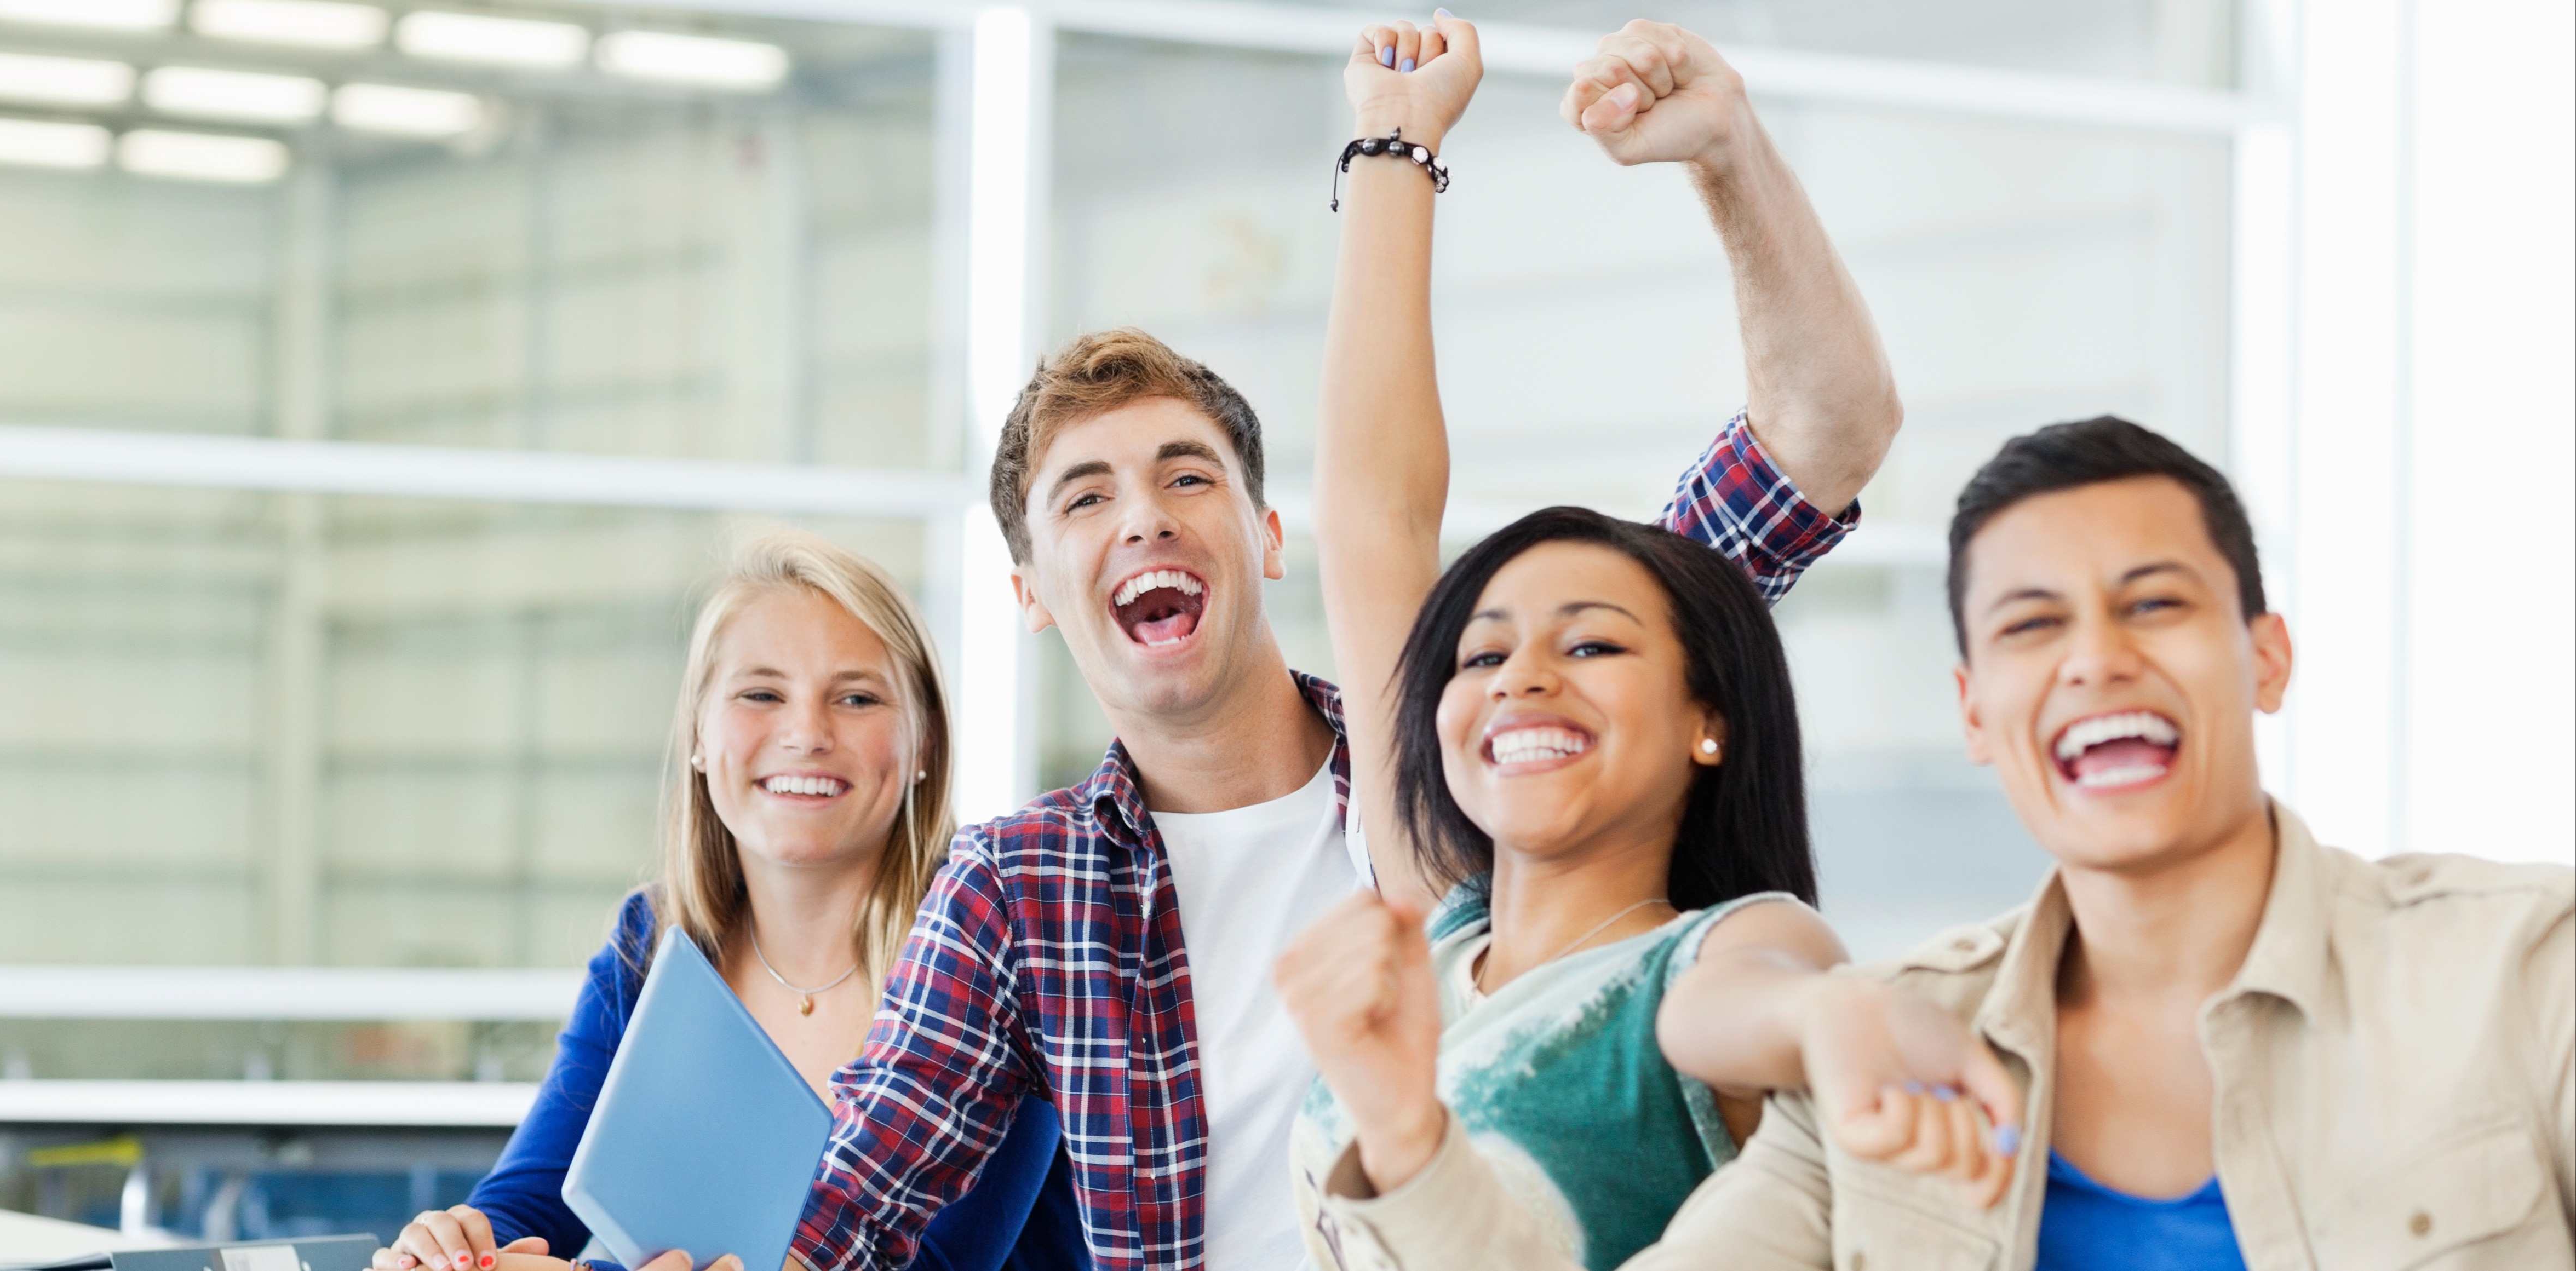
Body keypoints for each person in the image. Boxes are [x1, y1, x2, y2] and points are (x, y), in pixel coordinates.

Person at [783, 11, 1908, 1270]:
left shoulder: (1479, 759)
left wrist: (1717, 155)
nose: (1143, 514)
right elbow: (846, 1211)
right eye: (1085, 498)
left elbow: (1813, 439)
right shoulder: (1018, 887)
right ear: (1030, 589)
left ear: (1269, 535)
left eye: (1183, 476)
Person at [1296, 416, 2576, 1270]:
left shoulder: (2525, 976)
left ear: (2266, 657)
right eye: (2028, 626)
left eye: (2154, 604)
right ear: (1971, 711)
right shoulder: (1879, 1083)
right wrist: (1401, 1133)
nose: (2093, 658)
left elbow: (1717, 994)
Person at [1269, 14, 1957, 1270]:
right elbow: (1369, 522)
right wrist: (1389, 140)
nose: (1519, 673)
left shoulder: (1706, 960)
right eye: (1480, 654)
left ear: (1709, 716)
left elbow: (1757, 1003)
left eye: (1587, 648)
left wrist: (1728, 153)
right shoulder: (1439, 918)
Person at [372, 531, 1087, 1271]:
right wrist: (455, 1249)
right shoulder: (650, 944)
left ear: (925, 742)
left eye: (856, 697)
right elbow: (523, 1204)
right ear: (699, 736)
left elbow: (933, 1264)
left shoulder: (995, 940)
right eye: (761, 694)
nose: (807, 733)